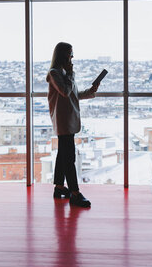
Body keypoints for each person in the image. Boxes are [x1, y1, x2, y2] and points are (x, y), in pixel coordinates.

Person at [46, 42, 99, 207]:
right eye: (70, 53)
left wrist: (90, 92)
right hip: (63, 120)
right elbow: (65, 92)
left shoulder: (63, 73)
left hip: (68, 119)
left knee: (63, 155)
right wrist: (70, 74)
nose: (72, 57)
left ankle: (60, 187)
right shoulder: (54, 73)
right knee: (69, 158)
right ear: (62, 55)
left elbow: (72, 95)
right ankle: (75, 193)